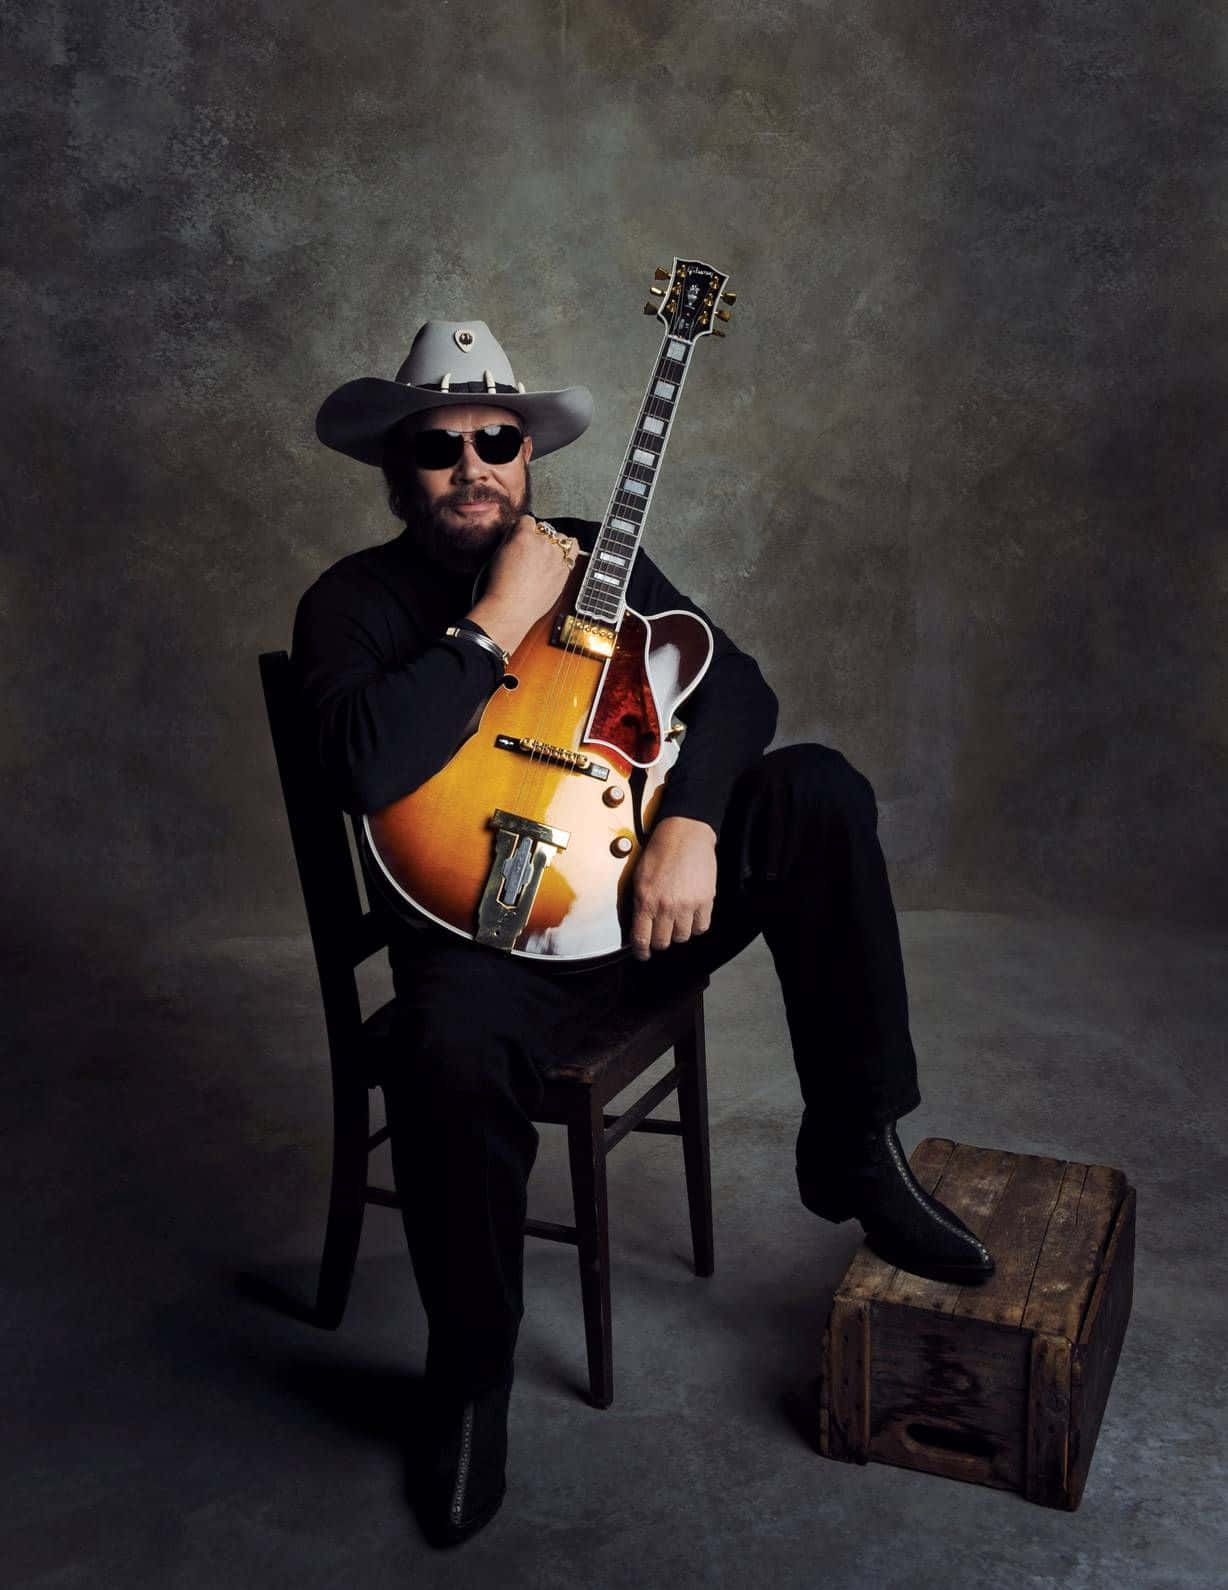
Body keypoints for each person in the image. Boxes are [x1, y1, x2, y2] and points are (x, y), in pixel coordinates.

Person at [292, 319, 994, 1547]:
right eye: (441, 446)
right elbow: (363, 766)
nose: (474, 466)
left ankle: (857, 1148)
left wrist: (696, 826)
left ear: (525, 455)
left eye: (495, 440)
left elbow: (738, 685)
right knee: (445, 1053)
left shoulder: (598, 567)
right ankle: (468, 1378)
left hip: (633, 910)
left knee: (819, 787)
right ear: (397, 473)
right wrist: (494, 620)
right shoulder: (349, 604)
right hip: (480, 956)